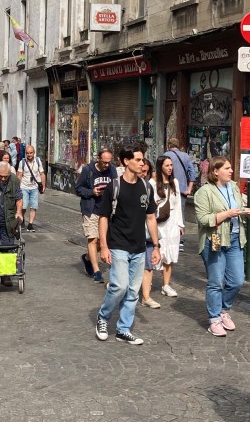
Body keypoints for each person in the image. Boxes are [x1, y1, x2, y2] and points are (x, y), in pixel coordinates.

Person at [94, 147, 161, 346]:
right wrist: (104, 246)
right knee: (119, 286)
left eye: (143, 160)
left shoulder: (146, 187)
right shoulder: (114, 187)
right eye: (138, 160)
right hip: (118, 245)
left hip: (139, 246)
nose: (142, 163)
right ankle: (103, 317)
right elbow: (103, 218)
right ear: (125, 161)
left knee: (133, 291)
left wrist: (156, 246)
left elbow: (151, 218)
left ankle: (123, 329)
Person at [194, 157, 250, 336]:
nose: (231, 171)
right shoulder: (204, 192)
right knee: (216, 281)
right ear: (215, 171)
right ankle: (214, 319)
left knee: (237, 280)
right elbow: (203, 219)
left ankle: (223, 309)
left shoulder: (233, 187)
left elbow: (238, 207)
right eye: (227, 168)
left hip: (235, 239)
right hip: (215, 239)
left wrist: (244, 211)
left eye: (230, 168)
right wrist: (226, 214)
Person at [142, 155, 185, 308]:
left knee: (170, 253)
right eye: (167, 165)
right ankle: (148, 281)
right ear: (160, 166)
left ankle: (166, 284)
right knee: (156, 252)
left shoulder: (175, 182)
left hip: (172, 220)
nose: (170, 168)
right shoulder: (152, 183)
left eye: (171, 165)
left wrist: (180, 224)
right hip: (158, 221)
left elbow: (178, 204)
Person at [75, 148, 117, 284]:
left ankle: (87, 257)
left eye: (109, 162)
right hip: (91, 208)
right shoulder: (88, 170)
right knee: (92, 239)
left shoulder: (112, 170)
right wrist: (92, 192)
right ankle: (97, 271)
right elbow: (78, 188)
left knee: (102, 241)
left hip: (106, 210)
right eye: (104, 162)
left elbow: (116, 187)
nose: (107, 165)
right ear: (98, 159)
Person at [163, 137, 197, 249]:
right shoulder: (185, 156)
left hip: (168, 189)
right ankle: (180, 240)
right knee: (180, 214)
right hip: (182, 191)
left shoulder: (166, 155)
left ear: (169, 145)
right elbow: (193, 174)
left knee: (166, 212)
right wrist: (189, 189)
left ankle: (168, 237)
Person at [18, 145, 46, 232]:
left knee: (33, 206)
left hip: (34, 187)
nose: (29, 155)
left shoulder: (38, 161)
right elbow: (19, 175)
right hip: (24, 187)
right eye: (27, 153)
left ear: (34, 153)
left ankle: (30, 225)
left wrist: (43, 186)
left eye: (31, 153)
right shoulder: (22, 162)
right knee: (23, 206)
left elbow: (42, 174)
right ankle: (22, 219)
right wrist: (18, 188)